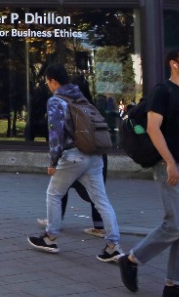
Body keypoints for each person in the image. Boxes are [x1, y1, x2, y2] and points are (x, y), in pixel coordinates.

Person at [119, 48, 179, 297]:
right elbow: (153, 128)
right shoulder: (163, 91)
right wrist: (169, 162)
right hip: (169, 167)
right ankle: (131, 260)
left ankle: (174, 286)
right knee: (175, 225)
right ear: (174, 64)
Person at [26, 63, 121, 263]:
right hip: (94, 155)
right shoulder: (80, 97)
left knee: (54, 194)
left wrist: (53, 161)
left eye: (48, 82)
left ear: (53, 81)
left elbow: (55, 134)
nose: (48, 86)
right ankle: (113, 246)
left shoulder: (56, 101)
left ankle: (50, 237)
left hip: (73, 155)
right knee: (101, 200)